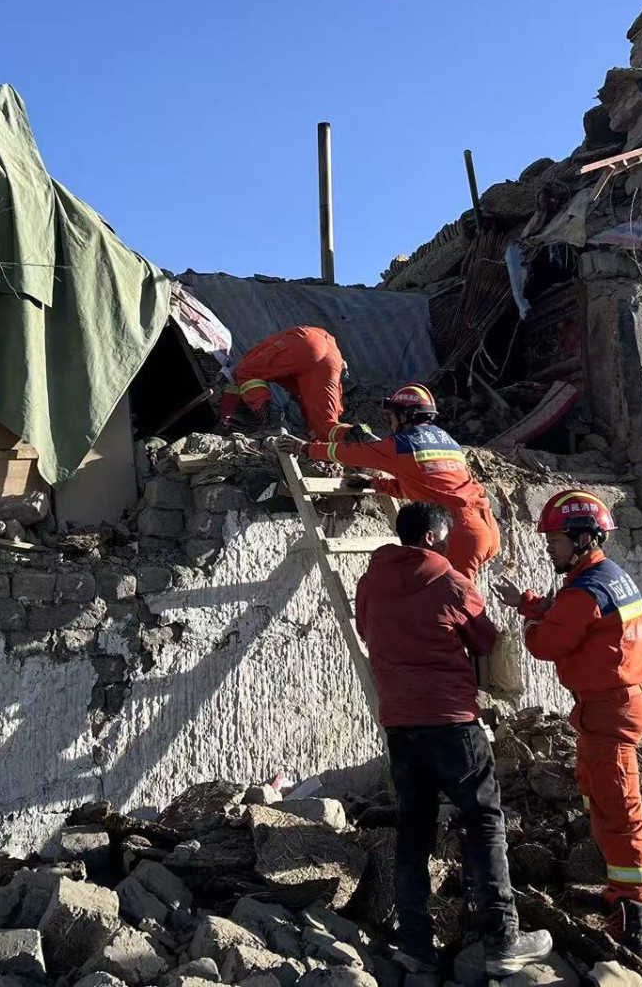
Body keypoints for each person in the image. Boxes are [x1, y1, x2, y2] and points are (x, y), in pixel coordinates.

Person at [357, 500, 552, 976]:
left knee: (414, 830)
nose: (449, 546)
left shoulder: (370, 581)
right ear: (429, 538)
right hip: (453, 723)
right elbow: (486, 641)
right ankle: (503, 940)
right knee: (484, 823)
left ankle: (415, 945)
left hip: (401, 724)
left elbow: (366, 630)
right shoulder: (450, 582)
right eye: (445, 538)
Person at [494, 490, 642, 951]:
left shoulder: (585, 589)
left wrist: (526, 627)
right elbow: (572, 616)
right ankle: (617, 881)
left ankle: (633, 912)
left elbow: (548, 642)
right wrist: (528, 602)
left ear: (583, 537)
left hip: (611, 710)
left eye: (555, 539)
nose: (549, 547)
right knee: (597, 790)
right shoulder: (604, 577)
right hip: (617, 701)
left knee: (619, 807)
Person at [272, 383, 500, 578]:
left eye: (392, 416)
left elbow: (350, 453)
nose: (390, 422)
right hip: (486, 528)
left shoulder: (402, 445)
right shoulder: (447, 441)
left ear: (404, 416)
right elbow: (425, 486)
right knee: (452, 604)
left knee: (449, 611)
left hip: (459, 534)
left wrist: (305, 448)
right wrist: (375, 484)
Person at [218, 325, 350, 439]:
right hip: (332, 354)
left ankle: (273, 422)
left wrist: (224, 418)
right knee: (325, 424)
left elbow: (234, 382)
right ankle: (362, 441)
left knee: (246, 372)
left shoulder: (243, 364)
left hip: (305, 341)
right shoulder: (283, 369)